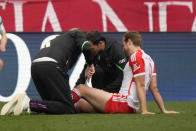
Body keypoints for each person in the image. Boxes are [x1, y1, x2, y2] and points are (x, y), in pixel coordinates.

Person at [72, 31, 179, 114]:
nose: (122, 48)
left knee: (81, 88)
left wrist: (144, 110)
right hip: (128, 106)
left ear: (129, 42)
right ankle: (68, 106)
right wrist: (163, 109)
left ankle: (63, 102)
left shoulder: (135, 58)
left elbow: (140, 84)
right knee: (81, 104)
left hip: (122, 102)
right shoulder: (149, 60)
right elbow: (154, 88)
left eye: (123, 44)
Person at [1, 29, 95, 115]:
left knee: (52, 106)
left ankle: (18, 106)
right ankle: (28, 103)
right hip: (50, 66)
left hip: (35, 67)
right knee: (67, 108)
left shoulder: (60, 41)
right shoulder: (77, 33)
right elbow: (87, 49)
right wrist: (89, 64)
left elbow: (64, 70)